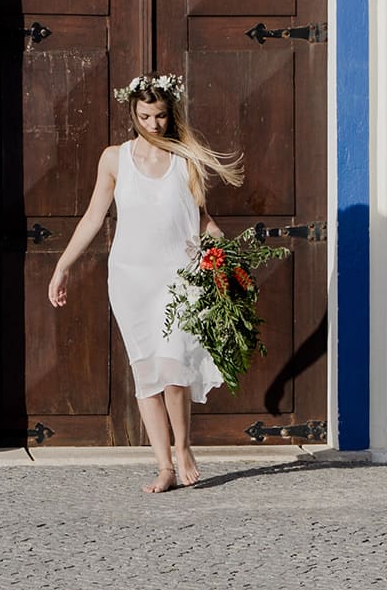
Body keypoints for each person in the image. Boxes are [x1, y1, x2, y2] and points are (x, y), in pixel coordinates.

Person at [47, 74, 244, 493]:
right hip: (131, 279)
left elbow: (202, 218)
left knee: (174, 369)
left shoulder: (186, 158)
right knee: (147, 375)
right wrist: (63, 265)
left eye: (160, 116)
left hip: (180, 276)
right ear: (132, 112)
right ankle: (164, 466)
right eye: (145, 116)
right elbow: (92, 217)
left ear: (171, 114)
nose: (153, 124)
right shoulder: (114, 159)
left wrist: (226, 256)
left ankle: (184, 447)